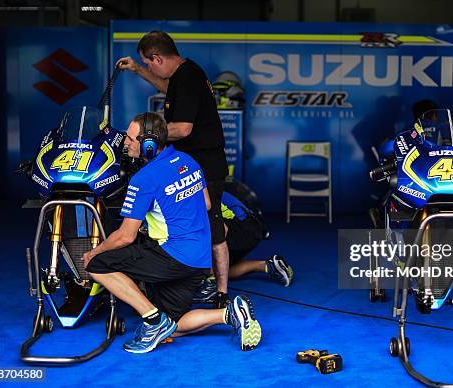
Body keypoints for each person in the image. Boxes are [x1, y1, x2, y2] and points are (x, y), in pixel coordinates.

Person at [83, 113, 261, 353]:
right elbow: (207, 204)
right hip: (199, 258)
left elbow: (126, 236)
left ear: (149, 145)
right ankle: (228, 314)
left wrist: (95, 251)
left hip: (174, 255)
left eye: (131, 138)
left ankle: (152, 319)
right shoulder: (188, 160)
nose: (125, 142)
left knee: (99, 265)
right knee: (174, 326)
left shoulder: (143, 178)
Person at [116, 30, 231, 308]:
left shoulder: (188, 77)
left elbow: (183, 128)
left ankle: (222, 294)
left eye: (148, 62)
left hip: (205, 165)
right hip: (192, 164)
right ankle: (195, 279)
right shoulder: (182, 76)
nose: (150, 67)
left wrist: (145, 135)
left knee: (212, 226)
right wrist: (137, 70)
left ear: (157, 57)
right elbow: (168, 89)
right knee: (190, 224)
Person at [195, 190, 294, 302]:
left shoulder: (200, 193)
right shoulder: (204, 185)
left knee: (215, 265)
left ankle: (210, 285)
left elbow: (221, 230)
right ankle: (269, 265)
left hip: (241, 229)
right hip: (250, 227)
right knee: (223, 270)